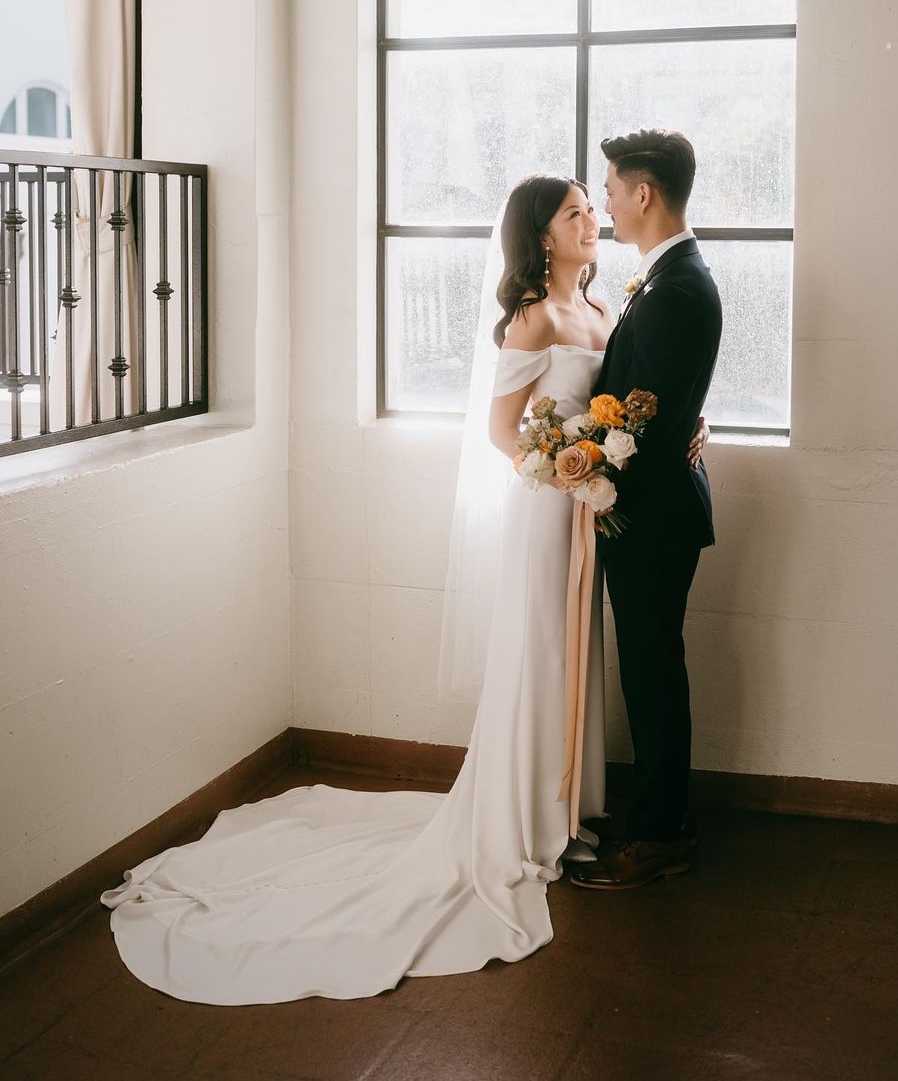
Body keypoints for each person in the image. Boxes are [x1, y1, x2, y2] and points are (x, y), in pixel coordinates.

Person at [98, 172, 708, 1003]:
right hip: (550, 510)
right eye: (574, 213)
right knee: (541, 648)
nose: (592, 219)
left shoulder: (603, 309)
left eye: (591, 207)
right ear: (541, 236)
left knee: (578, 656)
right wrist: (564, 470)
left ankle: (571, 805)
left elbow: (632, 402)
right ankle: (526, 814)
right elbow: (501, 430)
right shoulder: (532, 317)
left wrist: (665, 433)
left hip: (593, 507)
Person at [570, 129, 723, 892]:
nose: (604, 205)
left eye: (608, 190)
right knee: (651, 668)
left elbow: (645, 424)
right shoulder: (669, 280)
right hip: (657, 510)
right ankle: (661, 820)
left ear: (643, 193)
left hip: (652, 518)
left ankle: (660, 835)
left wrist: (576, 470)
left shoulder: (678, 288)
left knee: (653, 673)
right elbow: (659, 398)